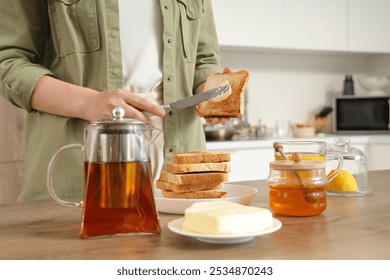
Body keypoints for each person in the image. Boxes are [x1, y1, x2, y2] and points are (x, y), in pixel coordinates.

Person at [0, 0, 230, 202]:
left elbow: (204, 60)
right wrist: (88, 102)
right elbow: (8, 61)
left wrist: (212, 91)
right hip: (80, 161)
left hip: (180, 161)